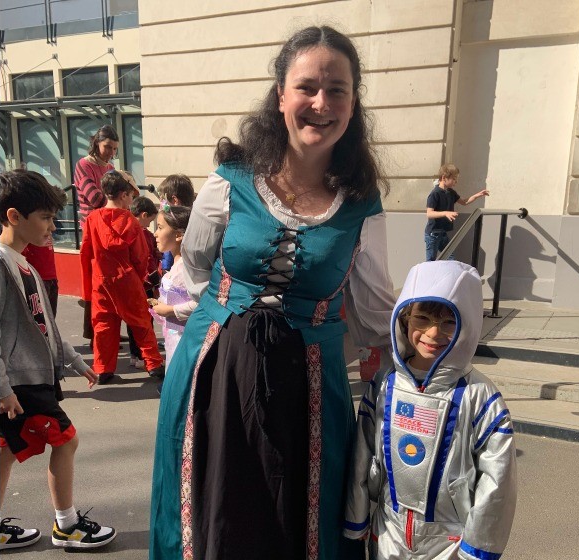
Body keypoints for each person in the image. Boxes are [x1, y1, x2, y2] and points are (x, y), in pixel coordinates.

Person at [150, 25, 396, 560]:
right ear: (281, 95)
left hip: (309, 380)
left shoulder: (360, 201)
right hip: (215, 373)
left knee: (299, 520)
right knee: (211, 510)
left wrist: (428, 359)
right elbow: (194, 269)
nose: (321, 102)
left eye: (338, 90)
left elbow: (375, 312)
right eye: (307, 86)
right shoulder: (233, 177)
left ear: (353, 105)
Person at [344, 260, 517, 559]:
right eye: (422, 319)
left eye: (450, 322)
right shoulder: (384, 385)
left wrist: (477, 547)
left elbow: (497, 482)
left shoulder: (480, 398)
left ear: (470, 323)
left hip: (450, 542)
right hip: (389, 535)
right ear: (404, 321)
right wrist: (357, 518)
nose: (433, 333)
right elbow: (362, 457)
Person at [0, 169, 116, 550]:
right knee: (66, 442)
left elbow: (45, 325)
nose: (53, 226)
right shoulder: (3, 265)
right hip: (20, 382)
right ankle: (66, 525)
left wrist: (73, 361)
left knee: (5, 451)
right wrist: (3, 388)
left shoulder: (23, 262)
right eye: (46, 218)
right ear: (14, 217)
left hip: (28, 379)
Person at [80, 171, 164, 385]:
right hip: (127, 279)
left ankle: (103, 368)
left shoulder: (92, 219)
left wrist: (89, 283)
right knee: (141, 323)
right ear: (124, 195)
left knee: (103, 325)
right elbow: (141, 257)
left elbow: (86, 252)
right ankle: (153, 364)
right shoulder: (131, 222)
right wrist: (137, 277)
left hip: (101, 280)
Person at [73, 124, 119, 341]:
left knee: (109, 280)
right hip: (92, 230)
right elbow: (97, 198)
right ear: (96, 143)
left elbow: (112, 198)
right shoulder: (83, 165)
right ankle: (94, 333)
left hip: (107, 228)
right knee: (95, 282)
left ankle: (110, 329)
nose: (111, 152)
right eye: (107, 147)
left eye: (114, 148)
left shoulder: (109, 167)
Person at [149, 204, 195, 367]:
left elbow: (202, 303)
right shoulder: (176, 264)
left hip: (185, 340)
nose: (155, 233)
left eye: (160, 228)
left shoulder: (186, 268)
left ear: (178, 235)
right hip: (173, 337)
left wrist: (170, 310)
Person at [425, 164, 489, 261]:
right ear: (444, 178)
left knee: (450, 259)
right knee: (430, 261)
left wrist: (477, 195)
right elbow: (429, 213)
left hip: (443, 233)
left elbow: (464, 202)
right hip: (433, 234)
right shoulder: (435, 194)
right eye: (454, 179)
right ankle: (427, 276)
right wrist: (445, 213)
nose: (456, 182)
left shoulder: (451, 192)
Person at [128, 195, 162, 368]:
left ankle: (136, 354)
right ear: (143, 214)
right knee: (143, 321)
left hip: (138, 282)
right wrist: (154, 278)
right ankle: (141, 354)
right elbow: (144, 258)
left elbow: (151, 253)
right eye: (150, 220)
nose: (150, 224)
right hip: (144, 282)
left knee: (137, 320)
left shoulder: (143, 234)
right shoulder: (138, 234)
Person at [156, 174, 195, 274]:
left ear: (175, 200)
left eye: (163, 199)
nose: (161, 204)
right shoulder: (196, 219)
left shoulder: (172, 227)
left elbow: (168, 264)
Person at [22, 239, 59, 317]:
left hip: (52, 278)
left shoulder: (47, 229)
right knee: (40, 318)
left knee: (51, 317)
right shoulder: (30, 232)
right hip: (38, 279)